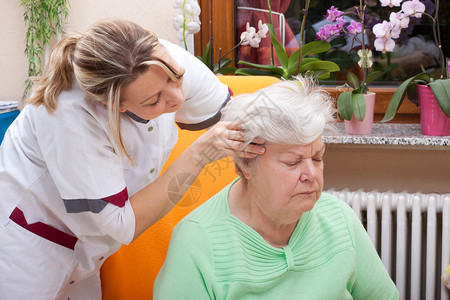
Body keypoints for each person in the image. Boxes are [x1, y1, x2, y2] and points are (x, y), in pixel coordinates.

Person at [0, 18, 265, 299]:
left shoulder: (157, 59)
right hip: (30, 244)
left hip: (90, 249)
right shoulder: (72, 116)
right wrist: (200, 154)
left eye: (176, 78)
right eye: (154, 101)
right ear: (113, 105)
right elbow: (122, 223)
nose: (178, 97)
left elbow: (232, 114)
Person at [154, 76, 400, 299]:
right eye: (292, 162)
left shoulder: (339, 219)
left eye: (317, 158)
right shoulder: (198, 243)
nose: (311, 175)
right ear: (246, 164)